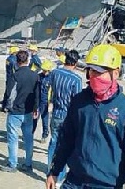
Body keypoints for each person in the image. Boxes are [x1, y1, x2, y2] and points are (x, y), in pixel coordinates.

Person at [46, 44, 125, 189]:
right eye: (91, 70)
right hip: (74, 181)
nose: (94, 76)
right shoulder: (79, 101)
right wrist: (54, 171)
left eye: (100, 72)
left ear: (115, 73)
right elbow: (65, 139)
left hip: (106, 185)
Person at [46, 49, 83, 185]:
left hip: (56, 113)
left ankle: (50, 170)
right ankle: (59, 175)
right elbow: (77, 101)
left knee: (53, 142)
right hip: (68, 116)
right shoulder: (76, 80)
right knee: (66, 146)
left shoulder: (55, 73)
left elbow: (49, 88)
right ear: (76, 62)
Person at [1, 50, 40, 173]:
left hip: (16, 111)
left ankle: (13, 164)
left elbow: (9, 93)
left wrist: (5, 106)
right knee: (28, 138)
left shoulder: (15, 75)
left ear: (17, 62)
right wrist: (36, 108)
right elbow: (37, 94)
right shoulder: (35, 75)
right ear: (28, 60)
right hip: (28, 111)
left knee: (13, 138)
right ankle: (28, 164)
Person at [33, 59, 54, 143]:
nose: (44, 72)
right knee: (34, 119)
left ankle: (45, 135)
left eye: (46, 71)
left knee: (45, 120)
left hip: (46, 103)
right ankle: (31, 134)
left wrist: (51, 102)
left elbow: (53, 91)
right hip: (38, 101)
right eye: (43, 70)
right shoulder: (39, 76)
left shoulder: (52, 78)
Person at [2, 46, 20, 112]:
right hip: (13, 78)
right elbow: (16, 69)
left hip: (9, 77)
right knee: (11, 93)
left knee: (7, 92)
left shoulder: (8, 58)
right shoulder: (14, 60)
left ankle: (3, 105)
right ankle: (7, 107)